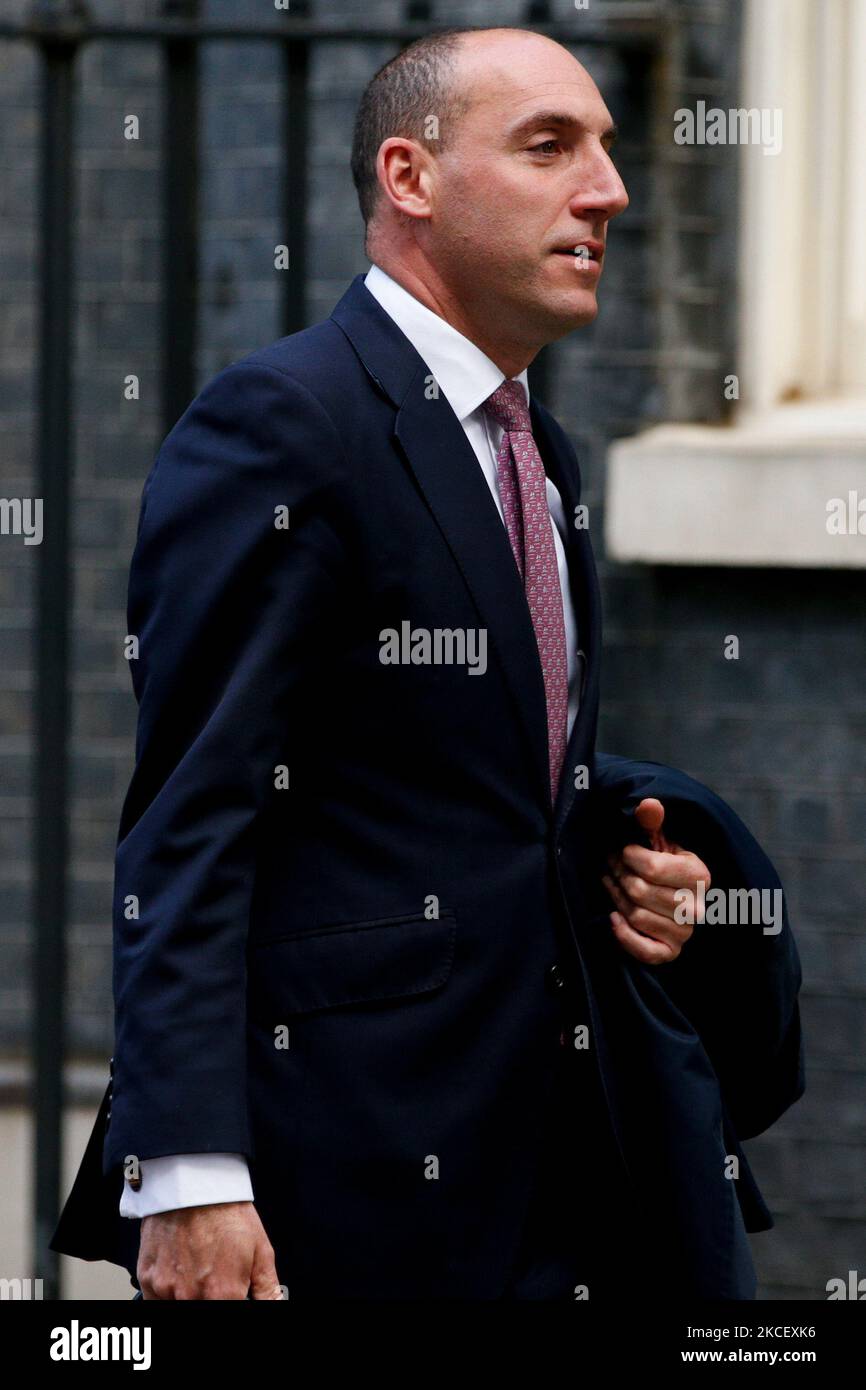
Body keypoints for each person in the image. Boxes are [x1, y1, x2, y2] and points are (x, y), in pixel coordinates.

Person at [50, 25, 803, 1300]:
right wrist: (189, 1172)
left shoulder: (542, 453)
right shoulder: (284, 424)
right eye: (548, 147)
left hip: (572, 1155)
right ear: (410, 177)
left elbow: (479, 776)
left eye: (605, 152)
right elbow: (193, 811)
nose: (607, 189)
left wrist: (632, 862)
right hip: (355, 1176)